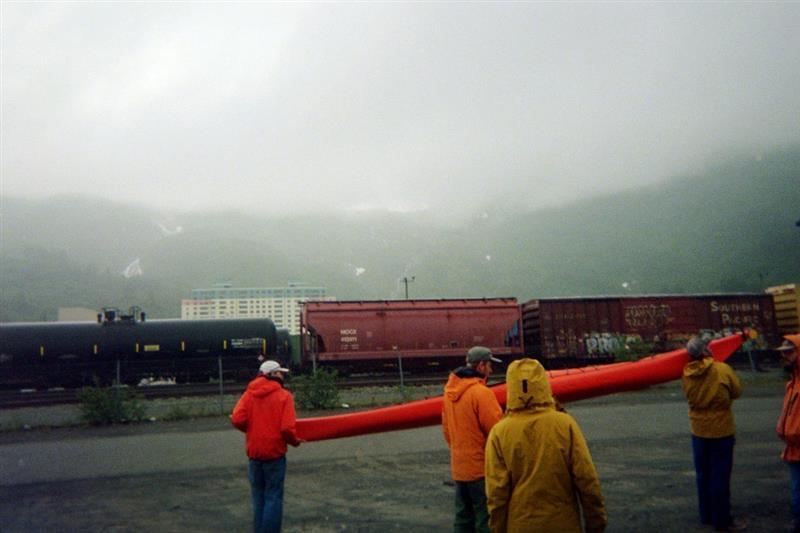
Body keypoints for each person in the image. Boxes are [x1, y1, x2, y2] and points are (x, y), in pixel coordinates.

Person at [485, 358, 607, 533]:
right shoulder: (565, 424)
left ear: (511, 387)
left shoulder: (498, 433)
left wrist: (498, 528)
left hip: (520, 525)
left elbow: (496, 494)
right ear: (543, 384)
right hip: (564, 525)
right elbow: (587, 479)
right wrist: (596, 523)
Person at [231, 360, 303, 533]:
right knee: (273, 497)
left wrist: (252, 431)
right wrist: (295, 441)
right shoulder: (284, 396)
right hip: (274, 454)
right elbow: (287, 428)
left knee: (258, 497)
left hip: (254, 454)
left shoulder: (249, 394)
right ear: (271, 374)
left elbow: (237, 419)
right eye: (279, 372)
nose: (282, 375)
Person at [682, 336, 744, 532]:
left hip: (698, 431)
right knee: (720, 476)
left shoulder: (686, 373)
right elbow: (737, 391)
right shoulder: (722, 370)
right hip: (721, 430)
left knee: (703, 475)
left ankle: (706, 515)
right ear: (707, 350)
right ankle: (722, 520)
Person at [442, 346, 504, 533]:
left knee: (463, 520)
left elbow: (447, 431)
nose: (491, 371)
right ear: (481, 365)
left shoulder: (448, 393)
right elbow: (497, 431)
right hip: (480, 470)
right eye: (490, 365)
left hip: (460, 469)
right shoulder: (481, 393)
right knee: (486, 520)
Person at [776, 334, 800, 532]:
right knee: (796, 490)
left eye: (789, 352)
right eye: (784, 353)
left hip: (797, 444)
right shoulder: (791, 384)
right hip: (793, 448)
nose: (785, 357)